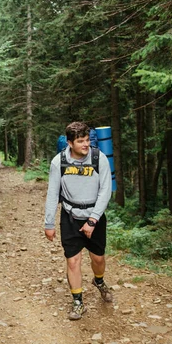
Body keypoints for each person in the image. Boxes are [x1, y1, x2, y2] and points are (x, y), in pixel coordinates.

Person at [44, 121, 113, 320]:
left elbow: (105, 191)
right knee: (73, 261)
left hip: (95, 216)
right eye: (81, 141)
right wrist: (49, 223)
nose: (86, 145)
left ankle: (99, 281)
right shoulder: (59, 162)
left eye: (87, 140)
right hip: (70, 216)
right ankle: (78, 302)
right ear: (69, 143)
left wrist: (92, 220)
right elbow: (52, 193)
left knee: (98, 259)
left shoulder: (99, 159)